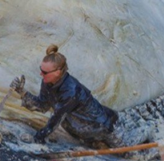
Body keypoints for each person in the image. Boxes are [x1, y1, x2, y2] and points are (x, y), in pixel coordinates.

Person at [10, 44, 150, 147]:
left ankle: (153, 137)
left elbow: (55, 119)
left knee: (130, 151)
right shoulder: (48, 82)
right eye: (41, 70)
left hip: (104, 127)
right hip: (82, 129)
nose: (41, 74)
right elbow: (42, 105)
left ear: (58, 72)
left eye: (45, 72)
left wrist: (37, 139)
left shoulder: (71, 91)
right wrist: (21, 92)